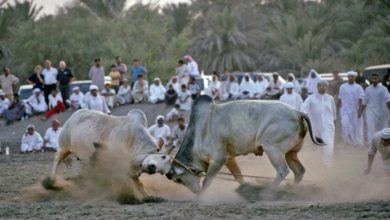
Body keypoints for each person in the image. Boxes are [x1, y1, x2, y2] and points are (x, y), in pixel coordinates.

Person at [301, 80, 337, 166]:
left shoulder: (330, 98)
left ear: (326, 87)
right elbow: (303, 110)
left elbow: (334, 113)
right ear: (317, 87)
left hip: (328, 126)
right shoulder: (311, 98)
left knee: (328, 144)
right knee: (317, 145)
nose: (323, 87)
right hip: (315, 126)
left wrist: (332, 123)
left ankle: (327, 164)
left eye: (324, 86)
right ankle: (317, 163)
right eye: (321, 86)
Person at [359, 74, 390, 142]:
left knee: (382, 128)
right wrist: (360, 112)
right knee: (370, 127)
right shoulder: (368, 89)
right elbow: (364, 102)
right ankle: (371, 143)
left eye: (375, 79)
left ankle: (382, 142)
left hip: (382, 112)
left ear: (378, 79)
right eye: (373, 79)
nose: (374, 80)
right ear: (371, 80)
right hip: (370, 112)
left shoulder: (383, 89)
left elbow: (388, 100)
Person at [338, 71, 364, 146]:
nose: (350, 78)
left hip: (355, 110)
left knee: (356, 126)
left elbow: (360, 99)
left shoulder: (358, 87)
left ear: (355, 77)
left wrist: (359, 111)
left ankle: (356, 142)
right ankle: (347, 141)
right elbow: (339, 99)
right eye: (349, 76)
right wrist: (336, 109)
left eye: (352, 76)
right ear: (347, 77)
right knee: (345, 125)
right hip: (345, 110)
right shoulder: (342, 87)